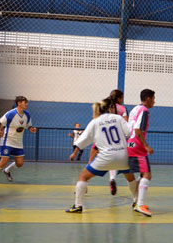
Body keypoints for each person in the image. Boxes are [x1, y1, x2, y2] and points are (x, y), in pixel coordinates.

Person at [66, 98, 132, 213]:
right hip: (122, 155)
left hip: (106, 157)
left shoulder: (95, 122)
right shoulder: (118, 118)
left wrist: (74, 153)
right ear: (109, 108)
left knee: (83, 176)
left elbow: (83, 139)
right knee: (131, 178)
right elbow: (129, 132)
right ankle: (138, 202)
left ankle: (78, 205)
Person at [123, 89, 156, 217]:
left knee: (139, 174)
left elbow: (128, 128)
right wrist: (146, 146)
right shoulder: (145, 111)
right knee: (147, 175)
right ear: (148, 98)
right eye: (153, 98)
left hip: (129, 144)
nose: (154, 101)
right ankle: (140, 204)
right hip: (137, 145)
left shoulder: (134, 109)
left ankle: (136, 200)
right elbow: (138, 129)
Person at [0, 96, 37, 182]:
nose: (27, 104)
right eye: (25, 102)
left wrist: (31, 129)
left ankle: (6, 171)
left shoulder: (27, 114)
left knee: (19, 163)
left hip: (18, 142)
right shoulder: (10, 114)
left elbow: (28, 125)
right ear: (19, 103)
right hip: (7, 140)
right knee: (3, 161)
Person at [107, 89, 129, 195]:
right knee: (123, 161)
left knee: (92, 161)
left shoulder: (105, 107)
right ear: (119, 98)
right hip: (119, 138)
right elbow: (126, 123)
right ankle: (129, 182)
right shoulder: (123, 109)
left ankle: (85, 184)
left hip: (106, 137)